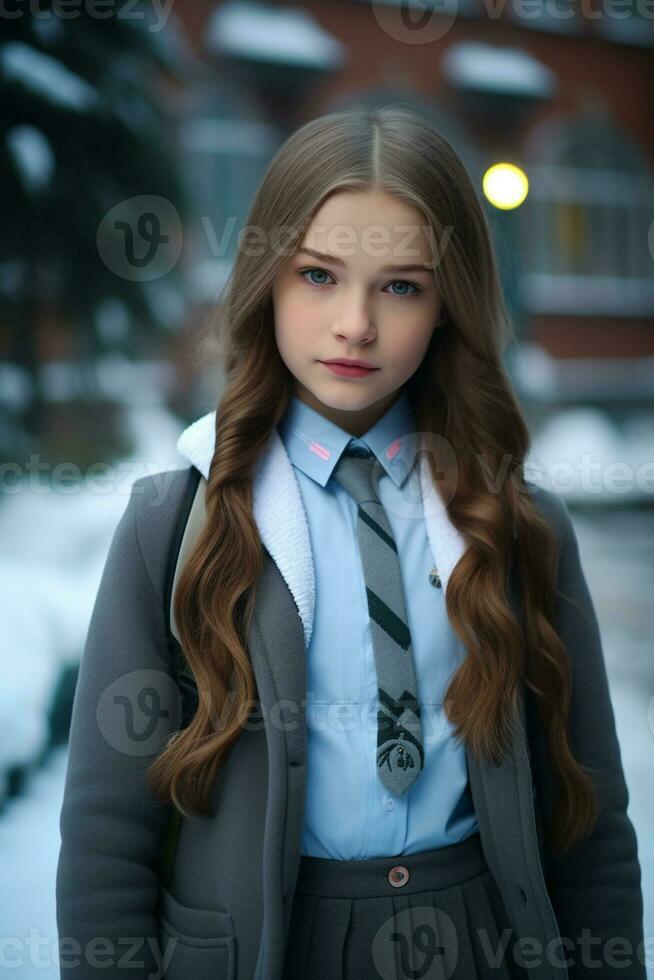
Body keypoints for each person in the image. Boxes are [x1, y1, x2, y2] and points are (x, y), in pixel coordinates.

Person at [56, 105, 646, 980]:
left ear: (451, 303)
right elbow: (107, 838)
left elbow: (590, 821)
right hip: (276, 945)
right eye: (319, 276)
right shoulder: (175, 522)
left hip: (485, 937)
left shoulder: (520, 526)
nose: (355, 325)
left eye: (401, 285)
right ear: (267, 279)